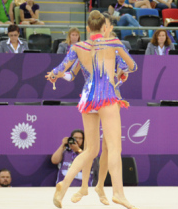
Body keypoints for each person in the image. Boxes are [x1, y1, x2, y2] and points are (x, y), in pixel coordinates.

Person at [46, 11, 137, 209]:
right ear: (104, 27)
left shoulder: (78, 46)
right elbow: (132, 66)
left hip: (88, 97)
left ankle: (65, 184)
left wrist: (53, 75)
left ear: (87, 28)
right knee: (114, 147)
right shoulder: (113, 43)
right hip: (107, 95)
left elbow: (62, 67)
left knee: (90, 150)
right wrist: (123, 70)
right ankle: (118, 193)